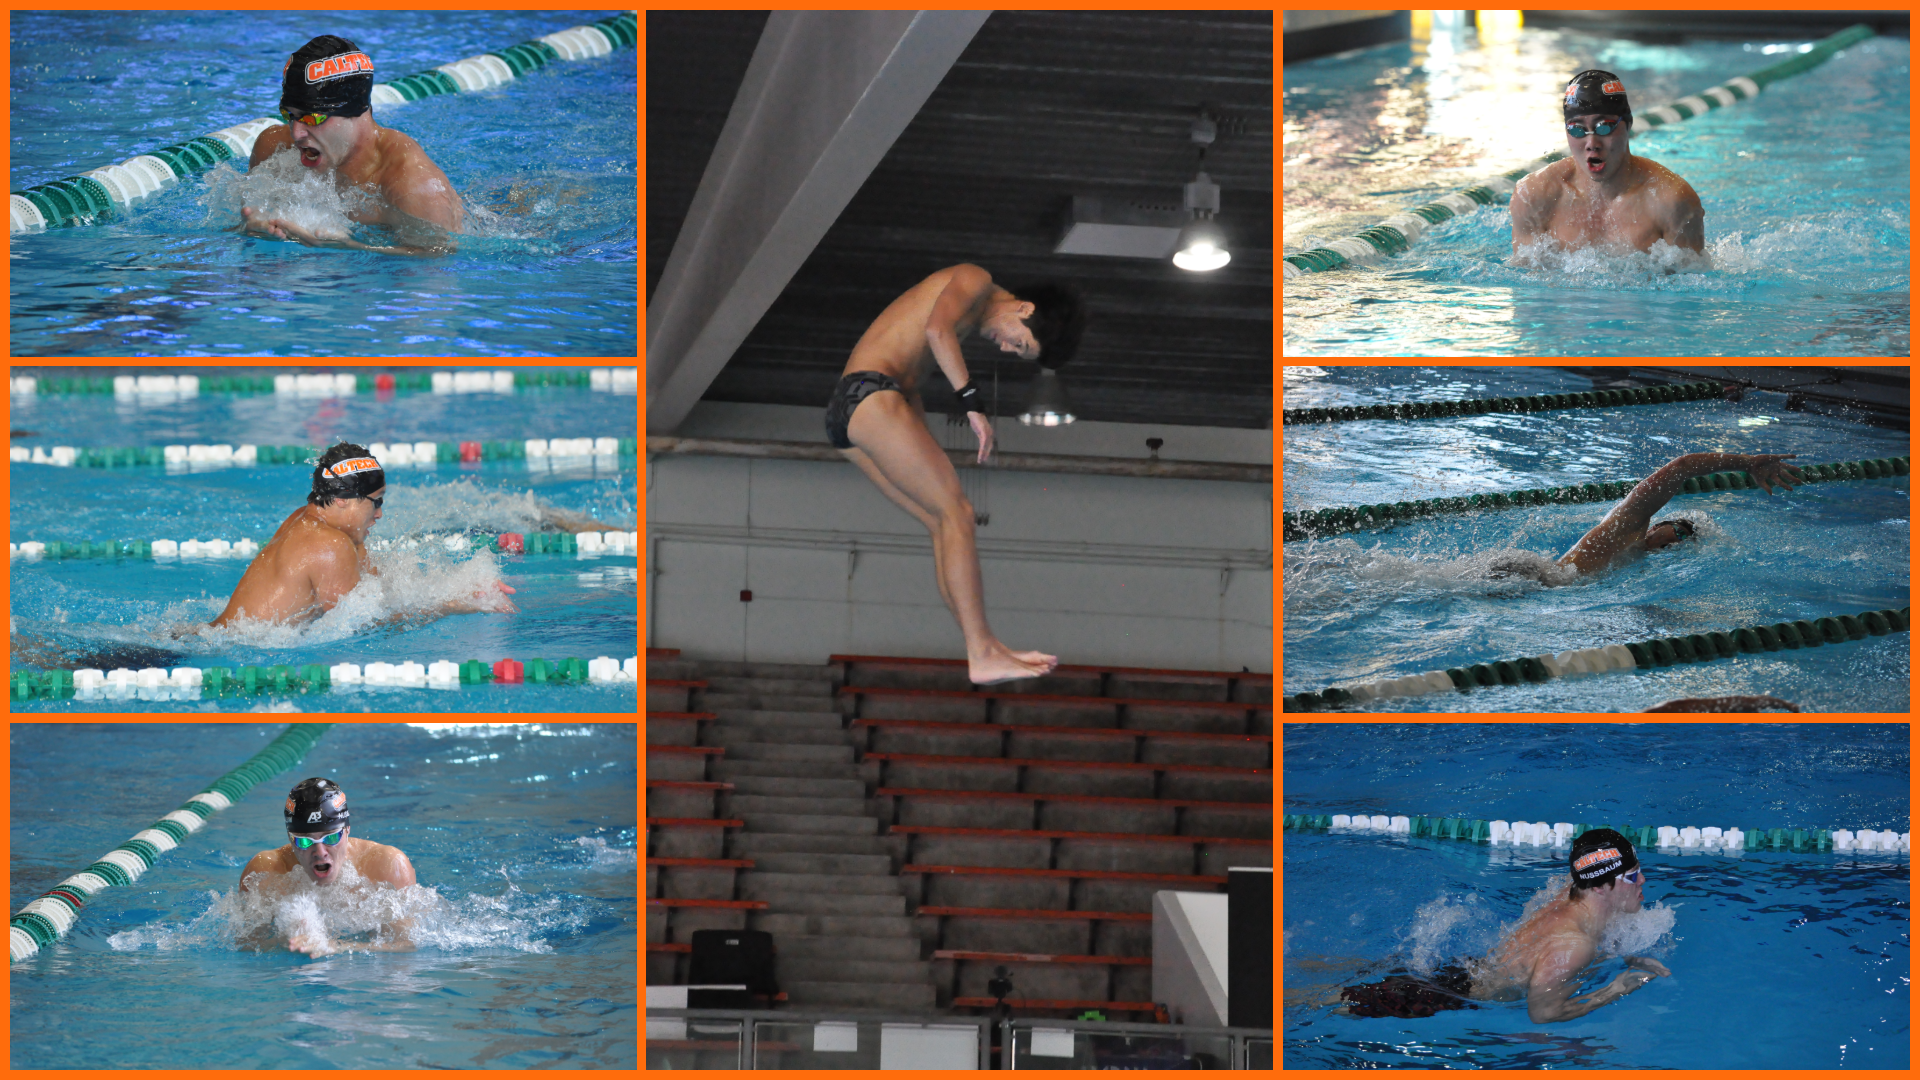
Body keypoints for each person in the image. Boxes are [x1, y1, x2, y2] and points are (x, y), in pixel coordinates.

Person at [826, 264, 1087, 685]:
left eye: (1017, 352)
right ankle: (981, 651)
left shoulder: (969, 313)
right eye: (1019, 342)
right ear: (1024, 308)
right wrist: (973, 406)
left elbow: (912, 374)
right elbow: (936, 330)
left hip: (859, 405)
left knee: (943, 523)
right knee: (958, 514)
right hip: (871, 393)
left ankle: (983, 646)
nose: (1007, 349)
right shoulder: (974, 277)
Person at [1342, 828, 1669, 1023]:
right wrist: (1618, 987)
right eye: (1631, 876)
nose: (1643, 880)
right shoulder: (1573, 946)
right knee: (1335, 1003)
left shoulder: (1570, 891)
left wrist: (1628, 953)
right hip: (1445, 997)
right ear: (1599, 887)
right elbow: (1543, 1013)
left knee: (1342, 983)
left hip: (1461, 968)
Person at [208, 442, 516, 627]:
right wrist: (456, 605)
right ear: (343, 498)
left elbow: (377, 588)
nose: (379, 514)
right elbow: (367, 626)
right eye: (376, 501)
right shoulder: (329, 546)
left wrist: (464, 586)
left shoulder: (312, 519)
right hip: (217, 654)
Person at [238, 35, 464, 256]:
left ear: (355, 110)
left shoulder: (413, 186)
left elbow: (439, 258)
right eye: (289, 114)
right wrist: (251, 230)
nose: (296, 133)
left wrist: (347, 247)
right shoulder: (273, 148)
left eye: (312, 118)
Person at [1510, 70, 1706, 259]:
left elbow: (1692, 277)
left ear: (1628, 125)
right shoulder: (1534, 196)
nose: (1591, 143)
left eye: (1604, 127)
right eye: (1577, 130)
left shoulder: (1672, 200)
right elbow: (1524, 275)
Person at [238, 778, 417, 955]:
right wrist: (283, 941)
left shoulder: (387, 865)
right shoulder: (265, 872)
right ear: (290, 838)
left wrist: (337, 946)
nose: (320, 852)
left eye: (331, 837)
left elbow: (406, 945)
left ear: (347, 829)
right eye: (305, 841)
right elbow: (245, 945)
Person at [1553, 451, 1803, 575]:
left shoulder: (1635, 564)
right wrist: (1746, 463)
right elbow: (1681, 467)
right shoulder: (1626, 526)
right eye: (1679, 532)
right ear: (1655, 526)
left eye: (1684, 542)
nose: (1677, 542)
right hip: (1540, 578)